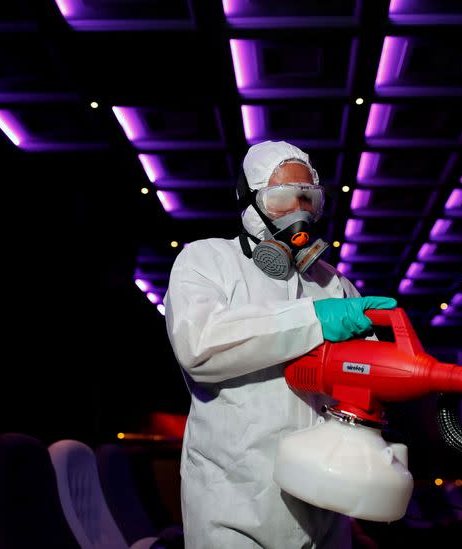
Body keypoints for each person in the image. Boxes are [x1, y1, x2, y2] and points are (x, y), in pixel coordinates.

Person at [164, 141, 397, 548]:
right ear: (249, 202)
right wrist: (315, 320)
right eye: (280, 199)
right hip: (232, 504)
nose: (297, 211)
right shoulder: (205, 261)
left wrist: (391, 359)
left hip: (325, 504)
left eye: (308, 198)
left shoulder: (332, 282)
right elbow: (200, 346)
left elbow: (365, 384)